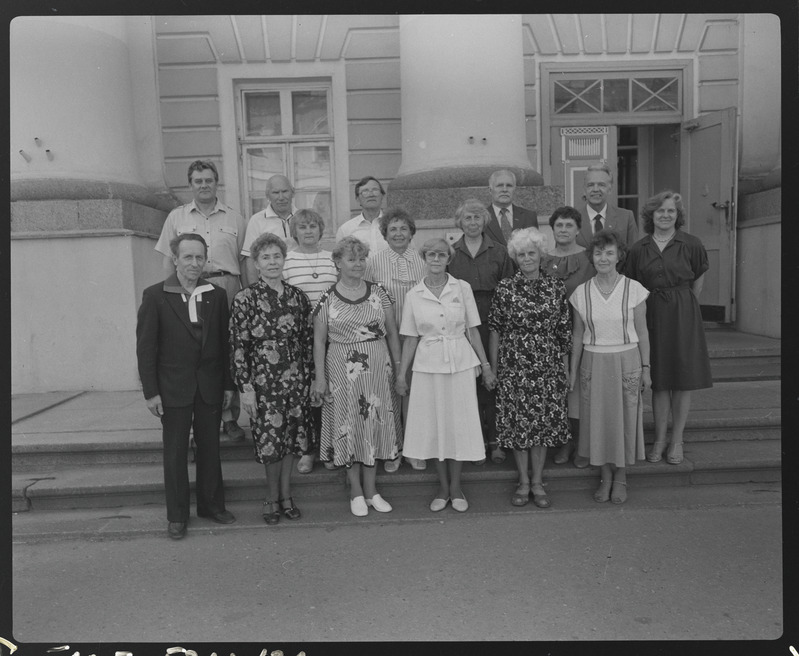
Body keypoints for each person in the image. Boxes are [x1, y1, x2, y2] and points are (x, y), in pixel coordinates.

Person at [136, 233, 236, 539]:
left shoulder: (216, 295)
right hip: (172, 387)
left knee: (210, 448)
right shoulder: (156, 295)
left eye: (199, 257)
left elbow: (224, 343)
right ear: (175, 259)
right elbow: (146, 348)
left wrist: (228, 385)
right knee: (176, 452)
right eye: (188, 257)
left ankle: (211, 505)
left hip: (209, 386)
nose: (194, 263)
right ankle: (177, 514)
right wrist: (151, 391)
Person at [396, 238, 496, 513]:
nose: (436, 259)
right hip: (428, 367)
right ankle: (442, 487)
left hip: (460, 364)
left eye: (441, 255)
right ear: (424, 259)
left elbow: (472, 330)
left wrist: (485, 365)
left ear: (449, 259)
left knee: (459, 425)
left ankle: (456, 487)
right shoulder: (414, 294)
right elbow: (410, 338)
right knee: (436, 426)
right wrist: (402, 374)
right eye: (431, 255)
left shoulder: (461, 288)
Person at [154, 159, 247, 442]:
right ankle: (197, 420)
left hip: (227, 286)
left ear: (216, 182)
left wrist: (248, 297)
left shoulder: (235, 218)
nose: (204, 185)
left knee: (226, 349)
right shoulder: (177, 217)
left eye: (208, 180)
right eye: (198, 181)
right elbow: (169, 261)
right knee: (194, 351)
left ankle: (230, 417)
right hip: (189, 286)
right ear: (191, 184)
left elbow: (244, 263)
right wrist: (171, 295)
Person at [311, 236, 402, 517]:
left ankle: (372, 490)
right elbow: (318, 341)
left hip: (377, 369)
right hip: (341, 370)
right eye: (351, 259)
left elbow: (393, 332)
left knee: (373, 424)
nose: (358, 264)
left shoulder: (379, 292)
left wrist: (399, 369)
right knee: (348, 426)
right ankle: (355, 491)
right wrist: (320, 378)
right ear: (338, 263)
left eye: (362, 258)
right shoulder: (326, 297)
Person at [623, 190, 713, 465]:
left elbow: (697, 281)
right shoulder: (639, 249)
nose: (665, 215)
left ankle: (677, 440)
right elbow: (633, 286)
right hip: (652, 315)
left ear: (678, 215)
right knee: (660, 380)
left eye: (670, 211)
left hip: (684, 314)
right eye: (660, 211)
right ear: (651, 215)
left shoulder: (692, 244)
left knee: (683, 378)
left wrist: (682, 304)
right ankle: (659, 439)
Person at [230, 232, 313, 525]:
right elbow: (239, 345)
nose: (272, 261)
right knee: (269, 440)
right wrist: (245, 388)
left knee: (291, 438)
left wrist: (311, 379)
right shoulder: (245, 299)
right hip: (263, 379)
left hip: (294, 377)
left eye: (277, 255)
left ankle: (287, 496)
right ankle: (270, 497)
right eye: (265, 257)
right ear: (256, 263)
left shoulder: (297, 297)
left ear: (284, 259)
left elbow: (306, 341)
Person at [488, 227, 572, 508]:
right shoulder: (505, 288)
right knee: (518, 426)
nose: (526, 258)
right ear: (515, 257)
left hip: (547, 365)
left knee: (543, 426)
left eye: (531, 253)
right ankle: (523, 481)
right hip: (514, 365)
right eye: (521, 254)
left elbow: (564, 332)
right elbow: (495, 330)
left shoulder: (556, 286)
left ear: (540, 255)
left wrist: (565, 368)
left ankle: (538, 481)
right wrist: (495, 367)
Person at [570, 230, 651, 504]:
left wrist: (646, 368)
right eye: (598, 253)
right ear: (591, 257)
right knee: (598, 422)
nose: (603, 258)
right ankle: (605, 476)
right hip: (593, 362)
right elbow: (578, 335)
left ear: (619, 256)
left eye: (609, 252)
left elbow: (643, 332)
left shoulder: (634, 289)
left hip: (626, 361)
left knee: (625, 421)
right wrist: (572, 370)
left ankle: (621, 478)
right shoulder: (581, 293)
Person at [447, 198, 514, 464]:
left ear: (484, 221)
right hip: (463, 324)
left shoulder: (499, 251)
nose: (472, 223)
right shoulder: (452, 253)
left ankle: (496, 440)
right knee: (470, 382)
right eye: (467, 218)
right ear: (459, 222)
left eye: (477, 218)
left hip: (494, 321)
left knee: (493, 378)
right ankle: (474, 440)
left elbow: (509, 289)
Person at [364, 207, 427, 472]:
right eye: (393, 229)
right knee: (390, 393)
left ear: (411, 232)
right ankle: (393, 449)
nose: (398, 233)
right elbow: (364, 298)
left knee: (414, 393)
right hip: (385, 339)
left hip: (418, 339)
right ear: (385, 234)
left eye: (403, 228)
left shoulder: (423, 259)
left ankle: (415, 449)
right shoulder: (374, 261)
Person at [282, 209, 338, 474]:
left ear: (321, 229)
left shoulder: (332, 259)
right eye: (302, 227)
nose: (308, 231)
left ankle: (332, 446)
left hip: (333, 336)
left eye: (313, 226)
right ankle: (308, 451)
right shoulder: (287, 260)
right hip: (301, 338)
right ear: (294, 232)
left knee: (331, 393)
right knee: (307, 396)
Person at [541, 206, 595, 468]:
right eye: (559, 225)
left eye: (569, 225)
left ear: (578, 229)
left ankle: (581, 444)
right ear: (552, 229)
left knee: (578, 390)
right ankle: (564, 442)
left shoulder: (589, 259)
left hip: (581, 330)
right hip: (549, 335)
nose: (563, 230)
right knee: (558, 390)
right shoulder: (542, 259)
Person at [242, 174, 300, 285]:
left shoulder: (302, 218)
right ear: (267, 195)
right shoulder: (257, 220)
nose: (281, 197)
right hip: (269, 285)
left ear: (293, 193)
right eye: (276, 193)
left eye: (285, 191)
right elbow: (250, 260)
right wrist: (255, 292)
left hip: (301, 282)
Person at [575, 163, 638, 249]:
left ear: (610, 189)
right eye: (590, 185)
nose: (596, 189)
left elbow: (634, 255)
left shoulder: (626, 218)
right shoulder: (573, 219)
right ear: (584, 189)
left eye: (601, 185)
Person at [484, 169, 539, 246]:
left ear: (515, 190)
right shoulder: (481, 217)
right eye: (499, 185)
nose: (504, 190)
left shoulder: (529, 217)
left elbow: (535, 248)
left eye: (509, 186)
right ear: (490, 190)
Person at [335, 176, 389, 253]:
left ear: (382, 196)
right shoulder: (345, 230)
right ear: (357, 199)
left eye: (375, 190)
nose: (371, 194)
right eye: (365, 191)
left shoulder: (394, 225)